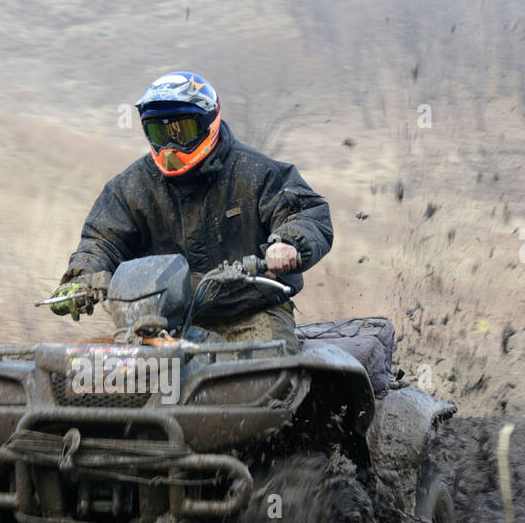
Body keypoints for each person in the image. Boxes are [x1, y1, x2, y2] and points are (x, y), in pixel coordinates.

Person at [50, 71, 333, 352]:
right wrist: (82, 278)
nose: (170, 147)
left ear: (208, 123)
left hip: (252, 311)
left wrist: (288, 242)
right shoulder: (131, 187)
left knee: (269, 379)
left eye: (180, 131)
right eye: (160, 133)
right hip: (162, 319)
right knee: (123, 384)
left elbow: (307, 211)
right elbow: (101, 240)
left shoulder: (255, 171)